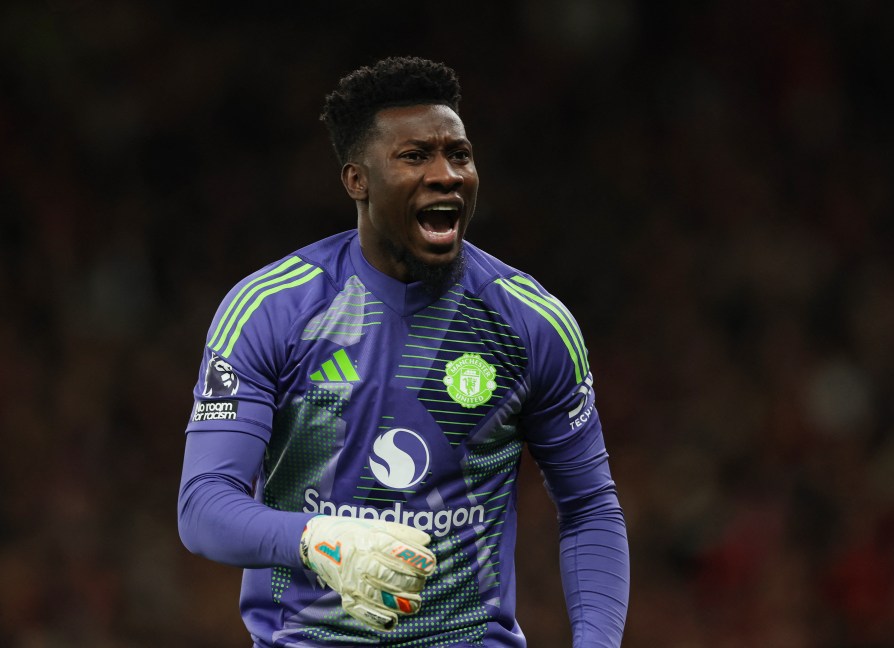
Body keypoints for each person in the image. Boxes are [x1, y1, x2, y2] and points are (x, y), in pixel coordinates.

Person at [178, 56, 629, 647]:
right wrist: (318, 540)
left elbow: (591, 506)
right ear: (356, 180)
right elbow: (204, 507)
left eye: (459, 154)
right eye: (414, 157)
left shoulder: (531, 322)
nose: (446, 175)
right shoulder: (272, 311)